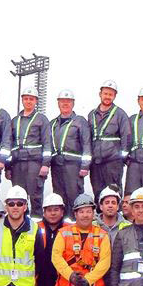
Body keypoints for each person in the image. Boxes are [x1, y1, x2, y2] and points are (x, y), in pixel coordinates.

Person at [9, 86, 51, 217]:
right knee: (18, 198)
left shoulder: (41, 119)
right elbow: (9, 144)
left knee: (35, 196)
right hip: (17, 164)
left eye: (31, 99)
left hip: (34, 163)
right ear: (22, 100)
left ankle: (37, 223)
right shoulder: (15, 120)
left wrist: (45, 164)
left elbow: (47, 143)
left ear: (36, 101)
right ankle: (20, 224)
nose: (28, 101)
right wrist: (8, 167)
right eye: (26, 98)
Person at [49, 89, 91, 217]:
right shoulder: (53, 123)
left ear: (73, 103)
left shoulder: (80, 121)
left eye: (68, 101)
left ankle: (75, 224)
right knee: (59, 199)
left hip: (73, 167)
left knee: (74, 197)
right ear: (58, 103)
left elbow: (86, 143)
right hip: (56, 166)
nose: (65, 104)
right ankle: (62, 226)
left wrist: (85, 166)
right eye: (62, 101)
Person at [88, 80, 131, 201]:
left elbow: (126, 137)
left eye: (110, 94)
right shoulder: (91, 115)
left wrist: (121, 159)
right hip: (96, 163)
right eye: (105, 93)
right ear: (100, 94)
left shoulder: (120, 114)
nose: (107, 97)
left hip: (113, 163)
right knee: (98, 194)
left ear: (115, 96)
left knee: (113, 193)